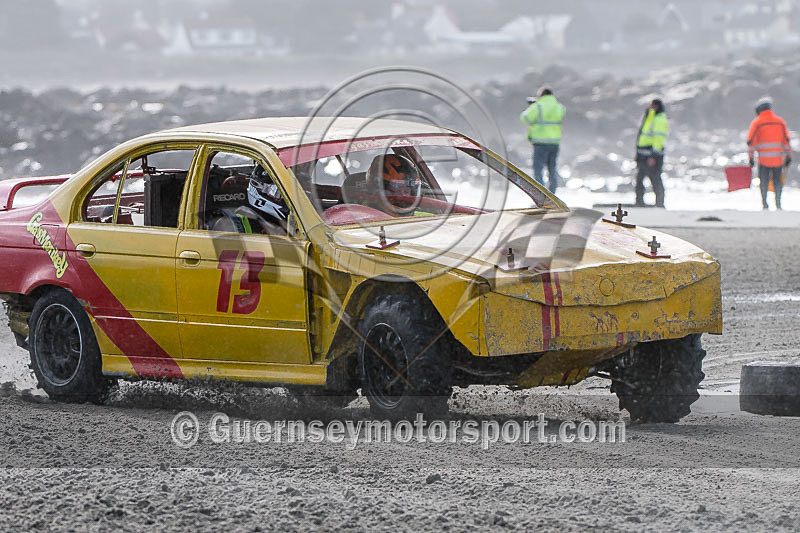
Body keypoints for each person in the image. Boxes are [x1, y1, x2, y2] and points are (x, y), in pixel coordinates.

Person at [747, 96, 791, 210]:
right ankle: (778, 204)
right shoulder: (780, 122)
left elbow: (751, 142)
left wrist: (750, 158)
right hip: (778, 159)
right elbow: (786, 141)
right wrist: (788, 156)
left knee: (764, 183)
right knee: (777, 182)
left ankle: (765, 205)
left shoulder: (757, 123)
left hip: (764, 160)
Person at [520, 87, 565, 193]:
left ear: (542, 95)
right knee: (552, 170)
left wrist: (533, 106)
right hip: (554, 142)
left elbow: (524, 118)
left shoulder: (538, 106)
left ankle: (541, 195)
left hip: (540, 143)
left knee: (538, 170)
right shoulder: (559, 107)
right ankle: (553, 196)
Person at [634, 98, 669, 207]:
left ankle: (659, 203)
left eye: (653, 105)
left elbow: (658, 139)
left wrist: (654, 156)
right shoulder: (650, 117)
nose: (650, 107)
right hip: (642, 155)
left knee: (655, 179)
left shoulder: (659, 119)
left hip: (652, 156)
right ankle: (639, 202)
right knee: (640, 180)